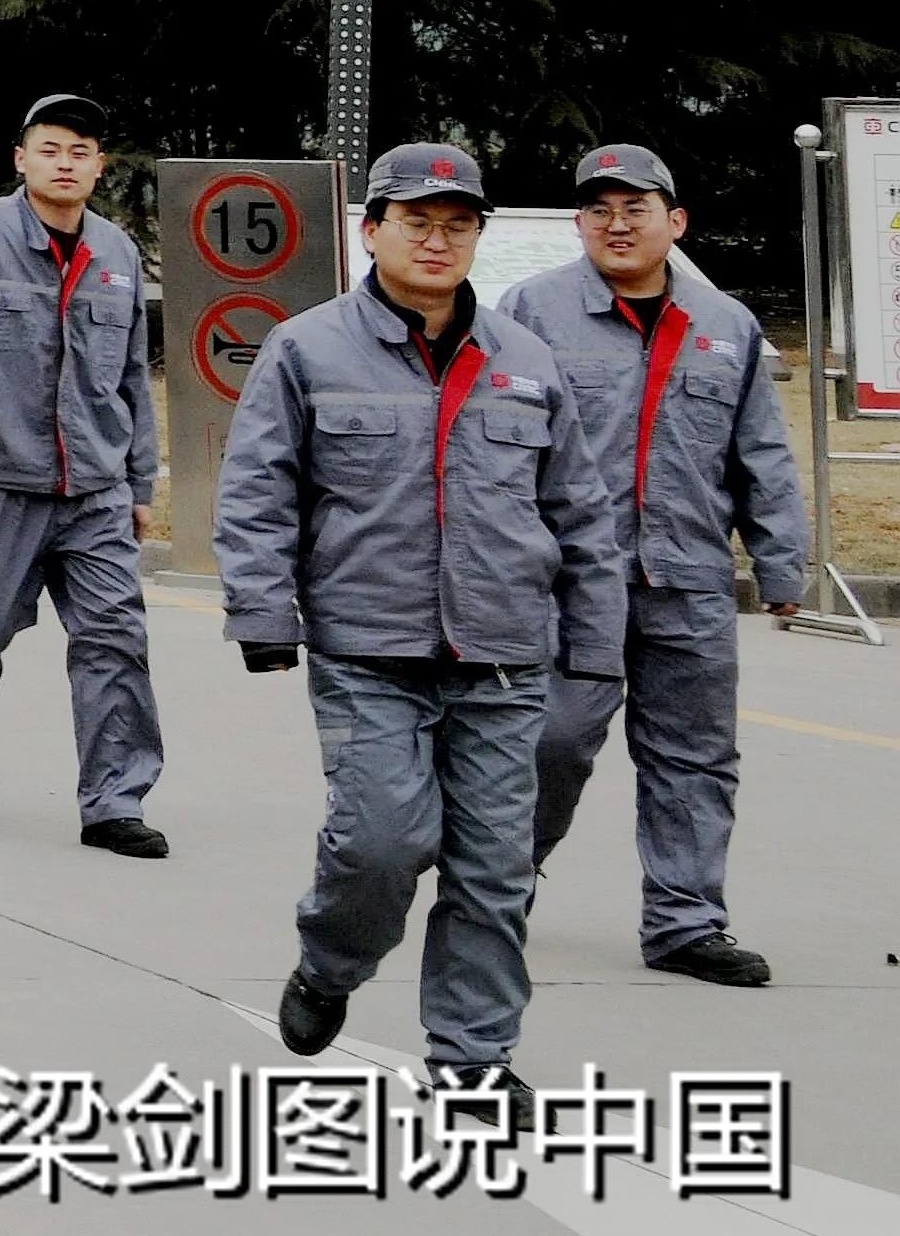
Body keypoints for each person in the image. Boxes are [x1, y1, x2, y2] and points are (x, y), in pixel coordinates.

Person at [217, 139, 628, 1090]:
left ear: (478, 237)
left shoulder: (525, 359)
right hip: (371, 653)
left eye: (457, 226)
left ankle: (475, 1058)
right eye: (416, 224)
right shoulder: (308, 347)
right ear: (372, 232)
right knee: (382, 844)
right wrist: (262, 612)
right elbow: (257, 490)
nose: (437, 243)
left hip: (503, 657)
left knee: (494, 871)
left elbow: (579, 510)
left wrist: (596, 644)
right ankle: (332, 964)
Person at [504, 143, 811, 988]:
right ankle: (498, 885)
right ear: (579, 223)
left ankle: (686, 921)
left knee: (695, 756)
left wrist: (783, 563)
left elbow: (762, 456)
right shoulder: (531, 311)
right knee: (551, 742)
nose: (616, 223)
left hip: (690, 579)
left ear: (674, 222)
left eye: (635, 207)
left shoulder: (727, 326)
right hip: (570, 583)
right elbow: (485, 442)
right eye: (598, 209)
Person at [0, 91, 168, 854]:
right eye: (50, 149)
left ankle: (114, 803)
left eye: (81, 152)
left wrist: (139, 484)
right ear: (22, 158)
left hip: (95, 489)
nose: (65, 163)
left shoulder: (115, 253)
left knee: (115, 639)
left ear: (99, 166)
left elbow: (129, 381)